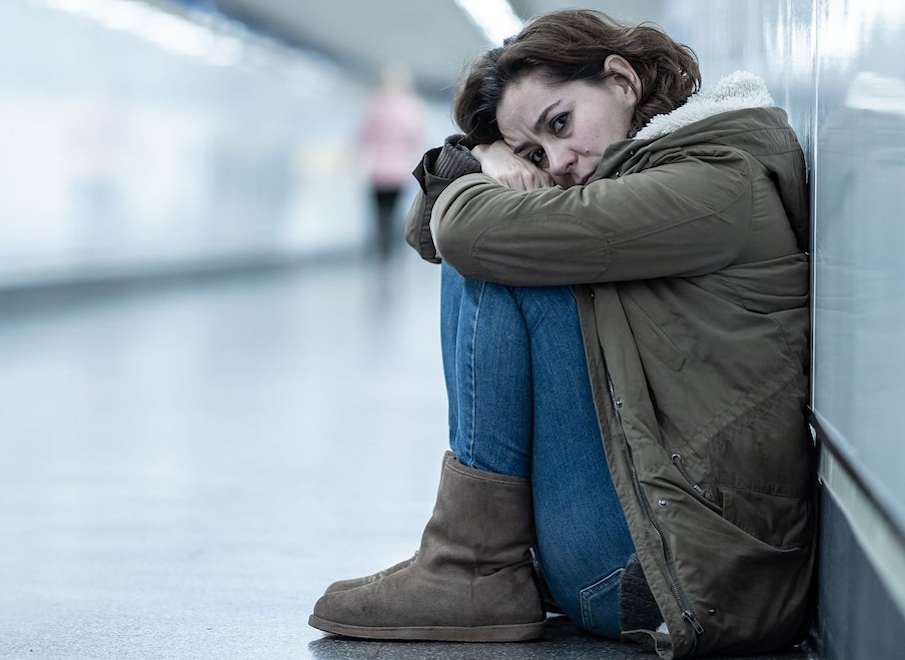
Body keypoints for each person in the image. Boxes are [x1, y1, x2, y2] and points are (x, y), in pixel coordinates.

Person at [310, 9, 815, 658]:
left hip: (681, 576)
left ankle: (473, 568)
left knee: (497, 254)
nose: (560, 161)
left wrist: (484, 169)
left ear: (621, 80)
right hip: (665, 535)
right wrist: (489, 156)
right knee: (496, 235)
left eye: (560, 124)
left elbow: (464, 233)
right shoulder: (651, 167)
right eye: (536, 152)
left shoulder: (717, 180)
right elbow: (425, 233)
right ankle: (471, 562)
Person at [357, 63, 425, 261]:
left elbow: (364, 136)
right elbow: (415, 138)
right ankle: (393, 251)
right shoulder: (411, 107)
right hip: (399, 171)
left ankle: (382, 250)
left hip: (378, 171)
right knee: (395, 213)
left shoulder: (374, 105)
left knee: (380, 214)